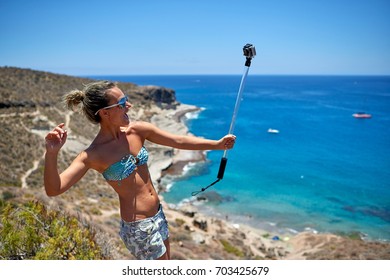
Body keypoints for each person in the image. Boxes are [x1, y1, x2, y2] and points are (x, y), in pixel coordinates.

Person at [44, 80, 236, 260]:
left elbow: (178, 140)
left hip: (158, 214)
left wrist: (217, 144)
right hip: (139, 227)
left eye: (126, 100)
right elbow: (54, 189)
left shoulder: (138, 130)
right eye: (122, 103)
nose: (129, 106)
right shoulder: (92, 155)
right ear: (105, 113)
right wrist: (51, 153)